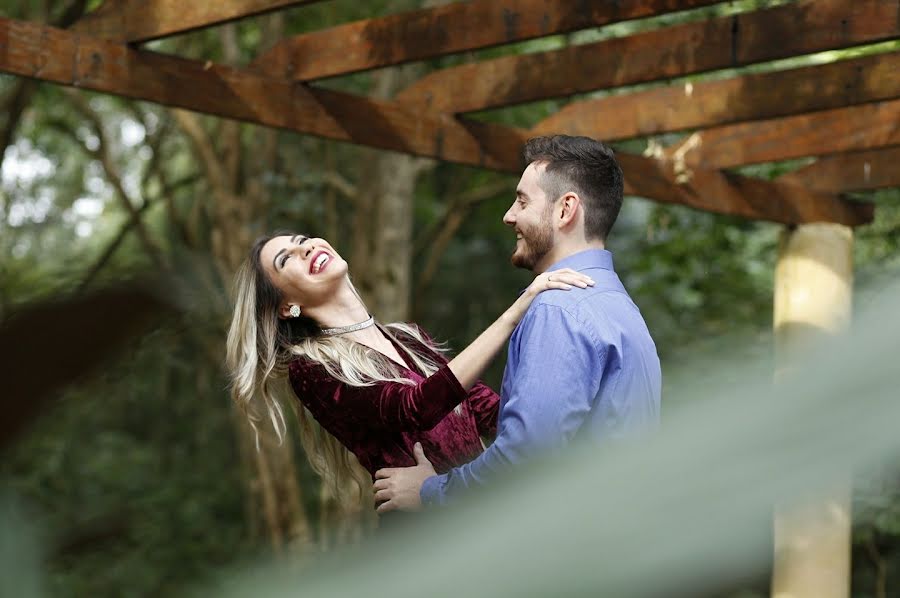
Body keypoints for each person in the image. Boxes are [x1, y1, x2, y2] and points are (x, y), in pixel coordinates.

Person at [374, 135, 662, 512]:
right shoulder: (621, 310)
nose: (509, 215)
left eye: (523, 201)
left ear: (565, 210)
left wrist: (430, 492)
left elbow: (527, 456)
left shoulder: (560, 307)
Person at [224, 230, 595, 515]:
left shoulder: (409, 338)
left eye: (303, 240)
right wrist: (518, 310)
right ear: (287, 305)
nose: (305, 248)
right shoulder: (311, 369)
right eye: (287, 259)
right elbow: (414, 407)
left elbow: (487, 410)